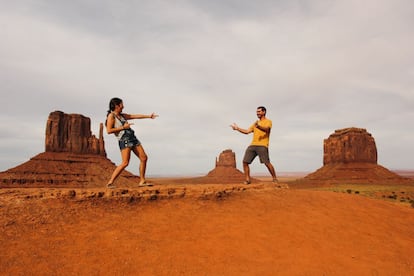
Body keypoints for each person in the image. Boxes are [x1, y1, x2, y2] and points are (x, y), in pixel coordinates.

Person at [106, 97, 158, 189]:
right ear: (117, 106)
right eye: (122, 104)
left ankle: (142, 181)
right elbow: (109, 130)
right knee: (125, 162)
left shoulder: (122, 115)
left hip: (132, 138)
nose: (123, 106)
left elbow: (134, 116)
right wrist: (123, 127)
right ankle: (110, 182)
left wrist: (148, 116)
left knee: (144, 158)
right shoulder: (111, 116)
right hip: (124, 139)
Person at [230, 106, 278, 184]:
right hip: (253, 145)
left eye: (259, 111)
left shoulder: (268, 121)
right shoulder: (255, 123)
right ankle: (247, 180)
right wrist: (237, 128)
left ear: (264, 112)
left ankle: (274, 178)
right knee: (245, 162)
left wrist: (258, 126)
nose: (257, 113)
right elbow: (247, 131)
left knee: (266, 162)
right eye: (257, 112)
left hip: (262, 145)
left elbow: (267, 129)